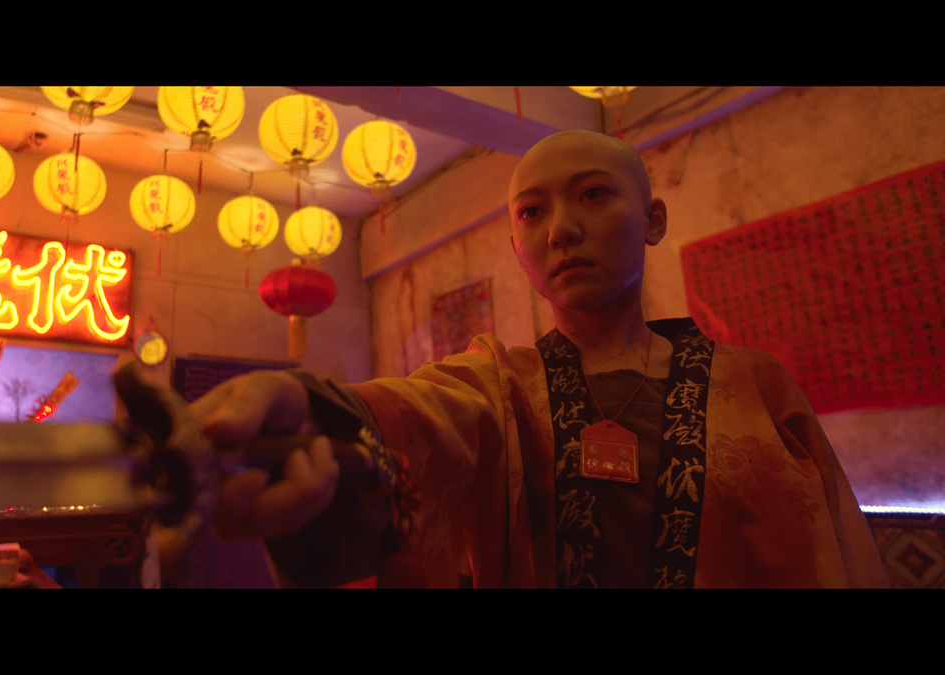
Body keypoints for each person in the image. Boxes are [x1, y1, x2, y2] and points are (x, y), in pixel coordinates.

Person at [191, 129, 889, 588]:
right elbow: (420, 418)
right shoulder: (500, 385)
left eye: (593, 195)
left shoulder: (753, 385)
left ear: (652, 219)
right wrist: (314, 419)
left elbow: (845, 554)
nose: (561, 229)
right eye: (531, 212)